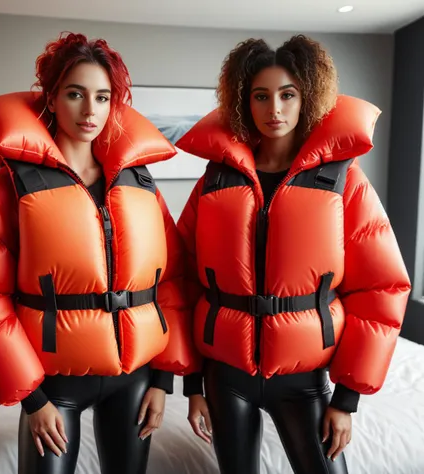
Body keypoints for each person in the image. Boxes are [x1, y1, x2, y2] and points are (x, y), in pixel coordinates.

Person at [0, 32, 199, 474]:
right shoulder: (9, 187)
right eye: (75, 94)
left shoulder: (140, 186)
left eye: (102, 97)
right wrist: (31, 398)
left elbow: (171, 282)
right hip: (53, 383)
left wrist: (162, 380)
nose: (90, 111)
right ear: (51, 98)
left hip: (134, 378)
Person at [175, 35, 411, 474]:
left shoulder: (344, 182)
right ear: (245, 103)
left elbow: (382, 287)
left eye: (288, 95)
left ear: (309, 99)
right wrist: (192, 384)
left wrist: (347, 399)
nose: (274, 110)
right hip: (225, 377)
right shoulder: (214, 183)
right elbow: (183, 280)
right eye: (261, 97)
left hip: (305, 379)